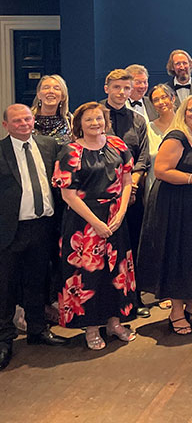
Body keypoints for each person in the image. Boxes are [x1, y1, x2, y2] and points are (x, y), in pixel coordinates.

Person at [53, 102, 137, 350]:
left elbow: (127, 182)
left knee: (116, 272)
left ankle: (114, 322)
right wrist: (96, 223)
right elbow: (68, 195)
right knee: (89, 276)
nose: (95, 123)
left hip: (115, 218)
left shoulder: (118, 145)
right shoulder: (70, 151)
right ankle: (91, 328)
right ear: (79, 123)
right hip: (84, 223)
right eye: (89, 119)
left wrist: (120, 213)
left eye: (98, 118)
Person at [138, 96, 192, 335]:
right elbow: (161, 171)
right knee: (177, 253)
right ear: (183, 112)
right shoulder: (176, 137)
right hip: (175, 204)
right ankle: (176, 310)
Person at [0, 105, 68, 371]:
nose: (24, 124)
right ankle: (4, 339)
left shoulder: (48, 145)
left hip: (43, 227)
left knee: (37, 281)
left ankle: (38, 330)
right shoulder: (1, 150)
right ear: (6, 125)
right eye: (17, 121)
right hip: (9, 230)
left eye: (27, 119)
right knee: (5, 287)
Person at [100, 69, 151, 318]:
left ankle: (135, 297)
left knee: (133, 246)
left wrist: (131, 188)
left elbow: (142, 158)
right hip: (100, 196)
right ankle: (106, 303)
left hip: (132, 195)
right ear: (107, 88)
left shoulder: (138, 120)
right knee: (104, 251)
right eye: (117, 87)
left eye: (127, 89)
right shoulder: (93, 114)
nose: (122, 93)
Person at [31, 74, 73, 144]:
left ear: (63, 96)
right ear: (38, 95)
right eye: (46, 88)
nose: (51, 91)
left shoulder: (69, 120)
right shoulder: (26, 118)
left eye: (56, 88)